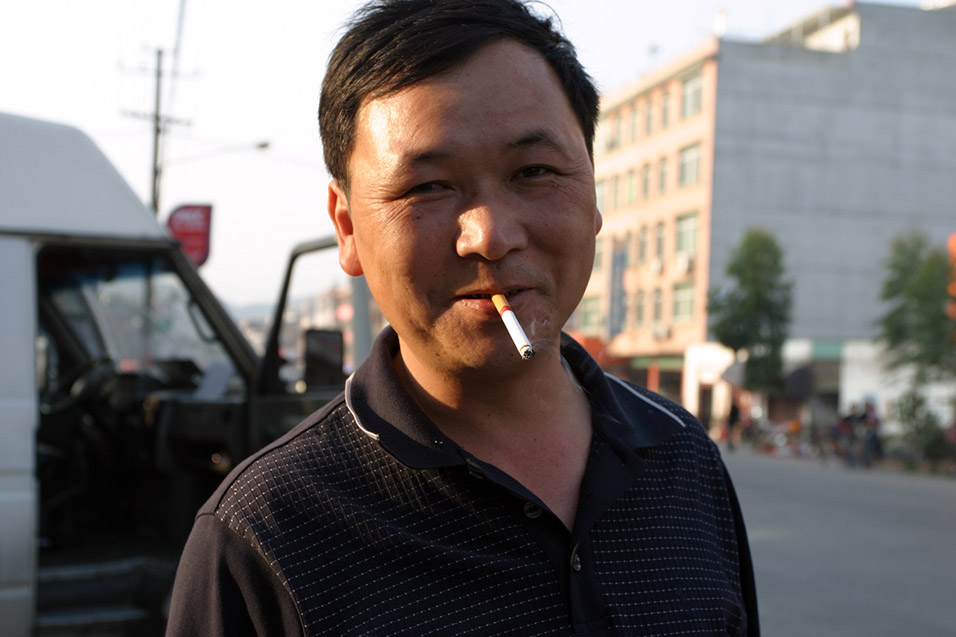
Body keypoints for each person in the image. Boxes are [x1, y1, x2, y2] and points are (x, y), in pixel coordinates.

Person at [165, 1, 759, 634]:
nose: (490, 236)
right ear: (347, 228)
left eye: (534, 172)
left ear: (594, 196)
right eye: (428, 188)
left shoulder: (683, 456)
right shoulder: (267, 534)